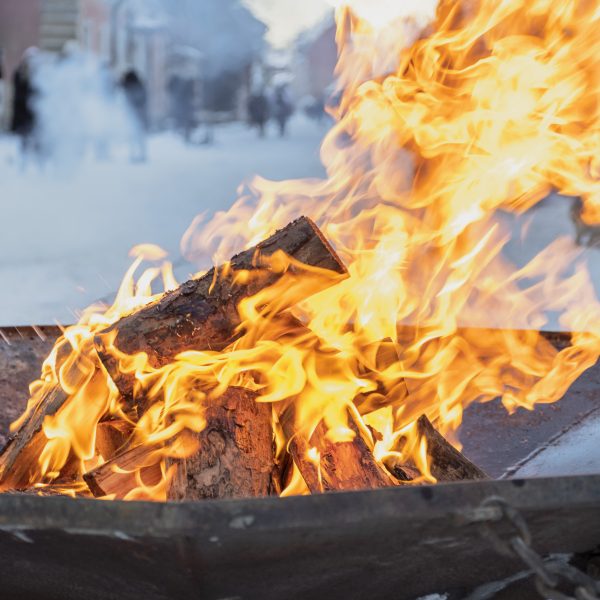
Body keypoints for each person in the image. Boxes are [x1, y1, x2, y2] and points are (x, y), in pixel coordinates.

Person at [10, 48, 40, 165]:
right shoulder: (20, 74)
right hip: (23, 116)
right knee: (24, 144)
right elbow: (19, 96)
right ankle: (24, 164)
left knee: (37, 144)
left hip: (34, 117)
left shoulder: (39, 75)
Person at [121, 69, 148, 162]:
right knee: (138, 134)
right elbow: (144, 99)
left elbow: (127, 101)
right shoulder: (139, 85)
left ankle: (135, 154)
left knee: (133, 134)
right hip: (138, 113)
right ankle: (140, 154)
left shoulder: (128, 87)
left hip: (133, 113)